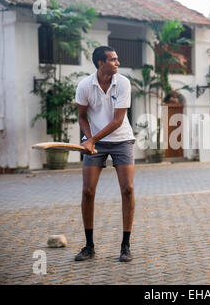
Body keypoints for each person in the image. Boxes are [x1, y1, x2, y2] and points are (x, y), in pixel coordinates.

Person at [74, 46, 135, 262]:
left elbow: (118, 120)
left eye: (117, 59)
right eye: (113, 60)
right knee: (88, 191)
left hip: (121, 140)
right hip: (95, 142)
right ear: (101, 63)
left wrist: (92, 139)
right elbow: (82, 116)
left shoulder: (124, 83)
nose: (118, 63)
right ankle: (89, 246)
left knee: (127, 189)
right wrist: (88, 139)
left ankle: (125, 245)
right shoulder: (84, 85)